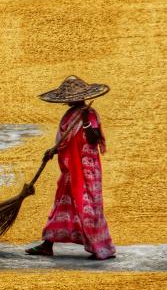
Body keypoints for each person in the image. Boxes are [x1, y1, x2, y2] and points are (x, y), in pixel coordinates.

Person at [25, 76, 116, 260]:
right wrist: (53, 150)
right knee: (61, 204)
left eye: (69, 97)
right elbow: (65, 142)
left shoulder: (90, 114)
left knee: (88, 207)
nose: (66, 100)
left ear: (79, 97)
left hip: (87, 170)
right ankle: (47, 244)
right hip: (69, 171)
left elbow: (93, 139)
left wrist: (85, 121)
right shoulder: (68, 116)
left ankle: (100, 248)